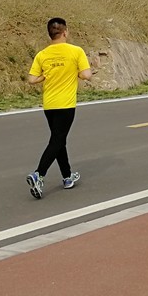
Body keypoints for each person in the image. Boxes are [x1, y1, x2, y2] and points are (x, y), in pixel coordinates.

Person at [25, 17, 93, 199]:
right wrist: (82, 72)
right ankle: (39, 174)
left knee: (59, 139)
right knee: (57, 140)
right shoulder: (76, 51)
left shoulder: (42, 54)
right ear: (65, 32)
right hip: (66, 104)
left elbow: (31, 79)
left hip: (49, 104)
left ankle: (67, 176)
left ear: (50, 34)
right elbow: (86, 75)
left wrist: (42, 78)